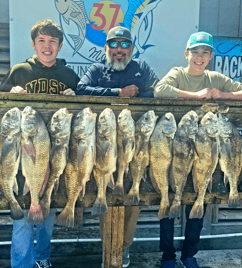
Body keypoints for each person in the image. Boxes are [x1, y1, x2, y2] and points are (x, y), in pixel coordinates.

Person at [0, 19, 80, 268]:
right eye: (41, 41)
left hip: (56, 154)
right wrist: (9, 96)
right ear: (33, 44)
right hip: (25, 154)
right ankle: (21, 263)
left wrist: (76, 98)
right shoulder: (20, 71)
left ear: (60, 46)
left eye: (52, 41)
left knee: (48, 211)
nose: (47, 46)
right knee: (23, 212)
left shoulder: (69, 75)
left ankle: (43, 258)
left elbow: (84, 115)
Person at [154, 32, 242, 268]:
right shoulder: (178, 73)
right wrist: (197, 95)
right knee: (170, 200)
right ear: (187, 54)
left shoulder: (216, 77)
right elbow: (160, 90)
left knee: (198, 201)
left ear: (211, 56)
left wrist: (224, 94)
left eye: (205, 52)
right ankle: (167, 255)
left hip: (206, 152)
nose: (199, 57)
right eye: (195, 52)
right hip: (177, 151)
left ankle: (189, 255)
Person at [77, 25, 159, 268]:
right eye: (114, 44)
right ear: (106, 48)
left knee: (133, 198)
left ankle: (123, 249)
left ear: (132, 48)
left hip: (136, 143)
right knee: (105, 196)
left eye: (124, 45)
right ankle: (110, 247)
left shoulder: (141, 68)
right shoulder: (96, 69)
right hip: (103, 144)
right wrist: (117, 93)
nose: (119, 50)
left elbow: (157, 92)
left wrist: (137, 98)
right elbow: (81, 89)